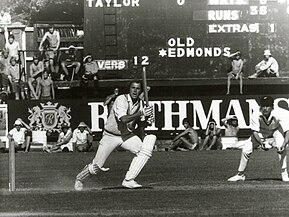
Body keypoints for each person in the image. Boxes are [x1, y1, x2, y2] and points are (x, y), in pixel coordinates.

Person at [74, 80, 156, 190]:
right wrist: (141, 113)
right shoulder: (121, 99)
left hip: (126, 136)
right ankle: (80, 178)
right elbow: (124, 119)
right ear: (129, 89)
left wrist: (148, 120)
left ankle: (129, 180)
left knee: (145, 149)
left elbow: (138, 124)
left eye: (137, 88)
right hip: (110, 136)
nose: (135, 91)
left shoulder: (140, 104)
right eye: (133, 88)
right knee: (96, 167)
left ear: (141, 90)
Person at [228, 96, 289, 182]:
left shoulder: (280, 113)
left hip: (276, 130)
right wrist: (261, 143)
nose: (265, 108)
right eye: (263, 106)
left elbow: (287, 132)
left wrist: (284, 145)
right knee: (246, 150)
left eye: (267, 106)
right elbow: (255, 132)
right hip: (261, 131)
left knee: (281, 146)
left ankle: (284, 173)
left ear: (272, 107)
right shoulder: (256, 113)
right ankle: (240, 174)